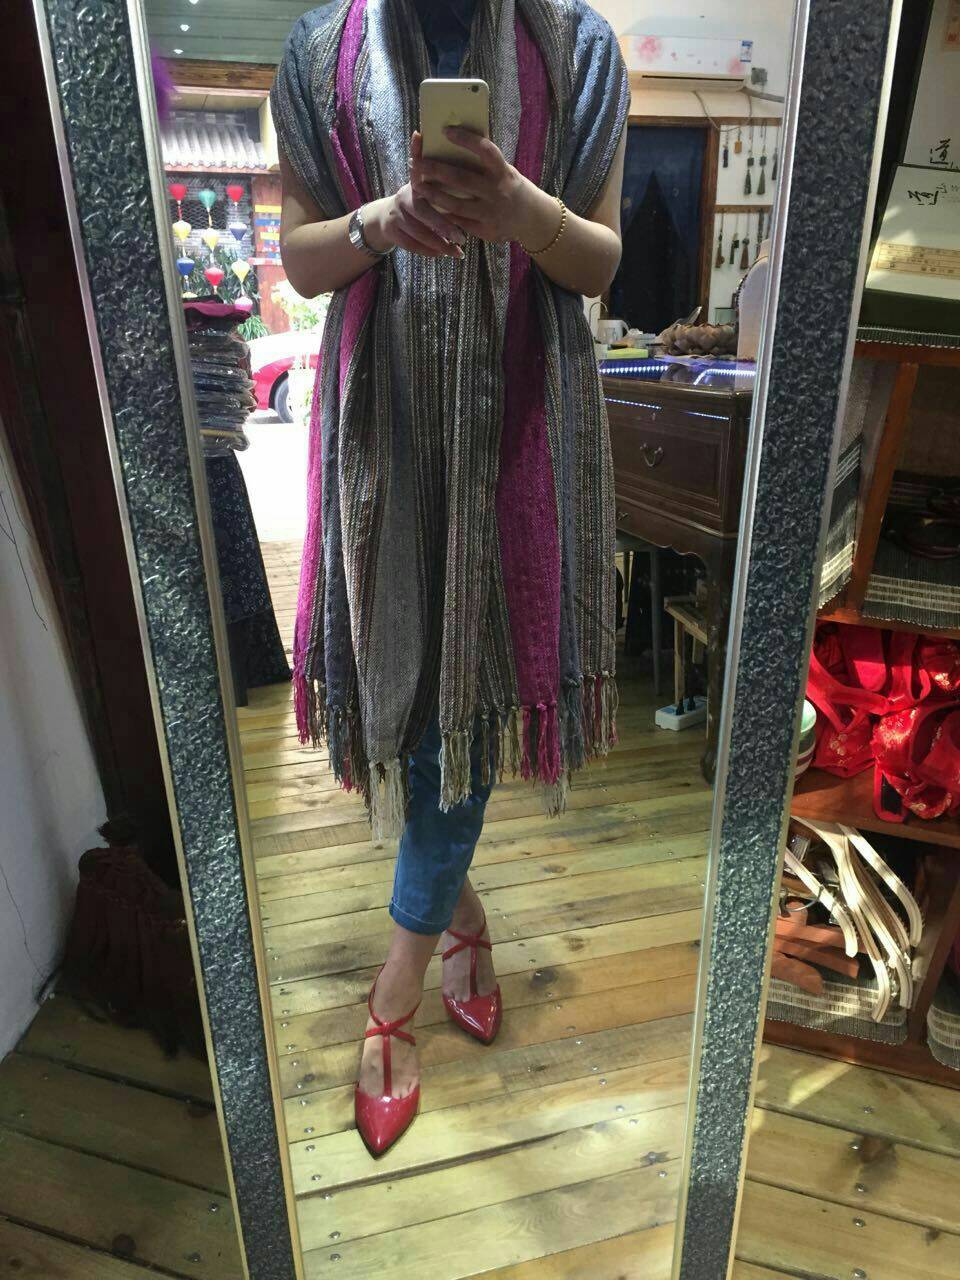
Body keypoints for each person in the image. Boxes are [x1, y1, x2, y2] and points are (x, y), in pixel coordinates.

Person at [273, 0, 628, 1156]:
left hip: (517, 419)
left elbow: (601, 259)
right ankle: (463, 917)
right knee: (411, 701)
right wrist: (382, 219)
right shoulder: (318, 53)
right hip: (381, 423)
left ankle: (395, 991)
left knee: (463, 704)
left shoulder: (577, 48)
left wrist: (521, 208)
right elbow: (300, 256)